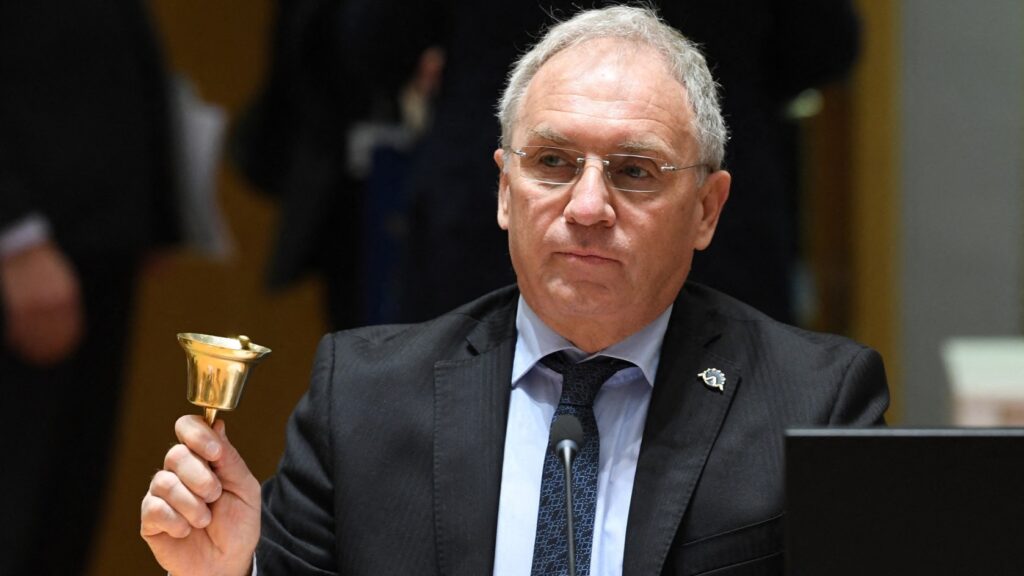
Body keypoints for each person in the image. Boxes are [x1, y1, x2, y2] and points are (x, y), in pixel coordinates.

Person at [140, 6, 888, 576]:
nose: (588, 207)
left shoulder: (815, 405)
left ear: (706, 208)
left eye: (634, 171)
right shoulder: (363, 400)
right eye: (554, 162)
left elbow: (377, 38)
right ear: (504, 189)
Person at [0, 1, 180, 574]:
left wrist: (158, 198)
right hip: (26, 239)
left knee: (64, 516)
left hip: (100, 237)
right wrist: (12, 235)